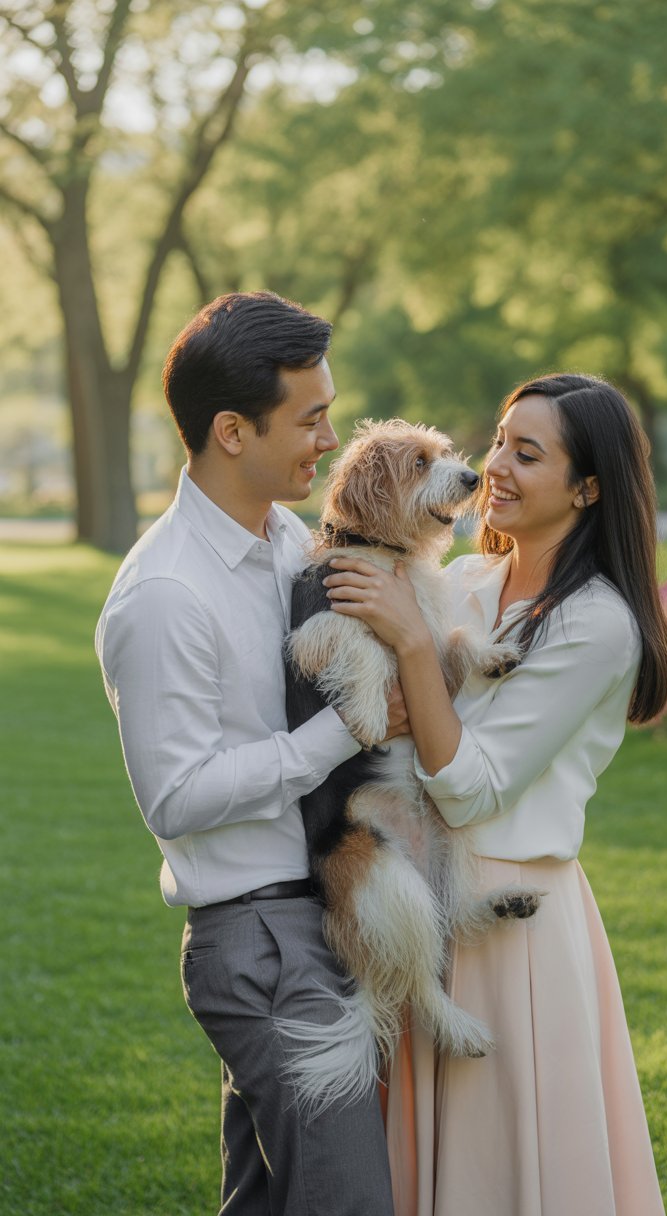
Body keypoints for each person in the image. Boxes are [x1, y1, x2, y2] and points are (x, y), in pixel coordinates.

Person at [321, 373, 667, 1216]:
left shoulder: (596, 624)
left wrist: (411, 642)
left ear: (588, 488)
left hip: (513, 928)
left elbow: (471, 790)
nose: (495, 469)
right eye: (497, 443)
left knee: (503, 1171)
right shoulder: (471, 581)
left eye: (529, 453)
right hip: (411, 895)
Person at [95, 291, 404, 1216]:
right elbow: (176, 798)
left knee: (270, 1200)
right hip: (262, 940)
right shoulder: (163, 595)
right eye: (311, 420)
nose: (330, 438)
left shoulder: (287, 543)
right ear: (232, 430)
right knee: (346, 1199)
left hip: (317, 915)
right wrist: (347, 725)